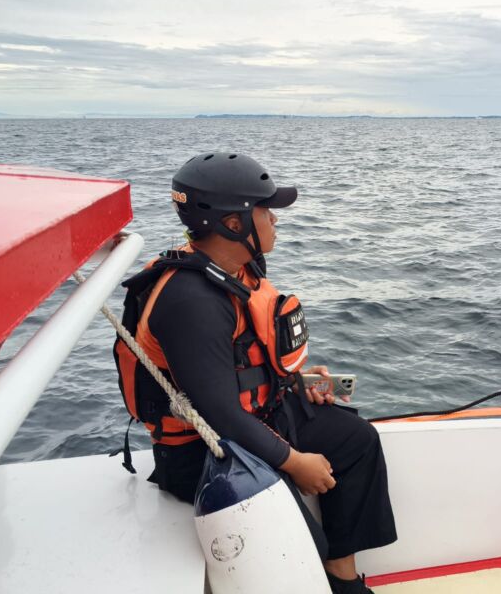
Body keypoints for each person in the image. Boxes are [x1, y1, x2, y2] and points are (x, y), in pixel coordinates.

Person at [114, 152, 396, 594]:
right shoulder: (191, 301)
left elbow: (239, 364)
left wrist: (292, 381)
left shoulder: (235, 270)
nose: (275, 220)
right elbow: (220, 415)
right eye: (267, 211)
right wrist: (295, 463)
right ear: (233, 224)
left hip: (260, 417)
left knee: (357, 441)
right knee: (298, 534)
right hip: (204, 453)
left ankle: (342, 581)